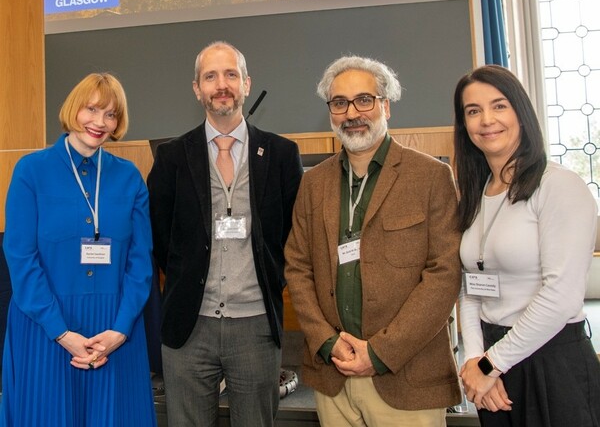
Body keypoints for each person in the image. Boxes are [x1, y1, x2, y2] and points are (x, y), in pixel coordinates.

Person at [284, 55, 462, 427]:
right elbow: (297, 267)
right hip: (333, 376)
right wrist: (327, 341)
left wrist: (380, 352)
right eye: (339, 103)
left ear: (386, 106)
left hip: (405, 377)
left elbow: (444, 274)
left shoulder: (431, 177)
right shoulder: (313, 183)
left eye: (364, 100)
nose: (352, 112)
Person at [147, 41, 303, 427]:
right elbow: (161, 241)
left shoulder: (281, 154)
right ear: (197, 88)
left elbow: (292, 236)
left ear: (247, 84)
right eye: (210, 76)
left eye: (231, 74)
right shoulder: (171, 158)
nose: (222, 84)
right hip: (189, 327)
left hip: (256, 327)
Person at [1, 73, 157, 426]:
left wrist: (119, 330)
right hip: (46, 329)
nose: (100, 122)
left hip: (115, 332)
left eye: (111, 114)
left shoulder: (130, 177)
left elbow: (140, 263)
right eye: (92, 109)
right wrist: (62, 332)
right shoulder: (30, 171)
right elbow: (21, 259)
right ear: (74, 109)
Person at [454, 64, 600, 426]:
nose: (487, 120)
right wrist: (475, 361)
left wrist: (491, 363)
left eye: (499, 105)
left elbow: (561, 296)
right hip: (494, 369)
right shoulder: (476, 194)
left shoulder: (559, 186)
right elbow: (470, 287)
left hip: (552, 362)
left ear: (521, 111)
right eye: (473, 111)